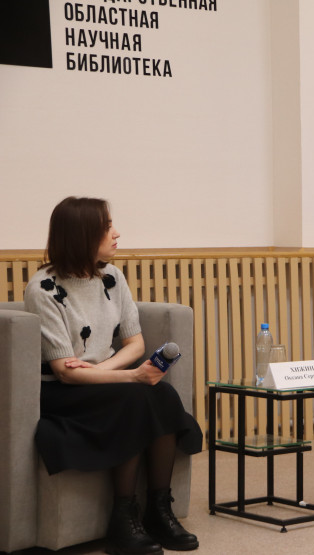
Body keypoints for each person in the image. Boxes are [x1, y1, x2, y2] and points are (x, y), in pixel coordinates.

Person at [24, 197, 203, 555]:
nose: (116, 233)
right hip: (62, 391)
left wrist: (101, 369)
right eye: (107, 227)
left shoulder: (112, 277)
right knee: (135, 397)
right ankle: (123, 518)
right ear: (82, 234)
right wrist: (131, 377)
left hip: (101, 379)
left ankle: (159, 509)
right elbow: (64, 372)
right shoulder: (43, 289)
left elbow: (135, 344)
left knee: (163, 394)